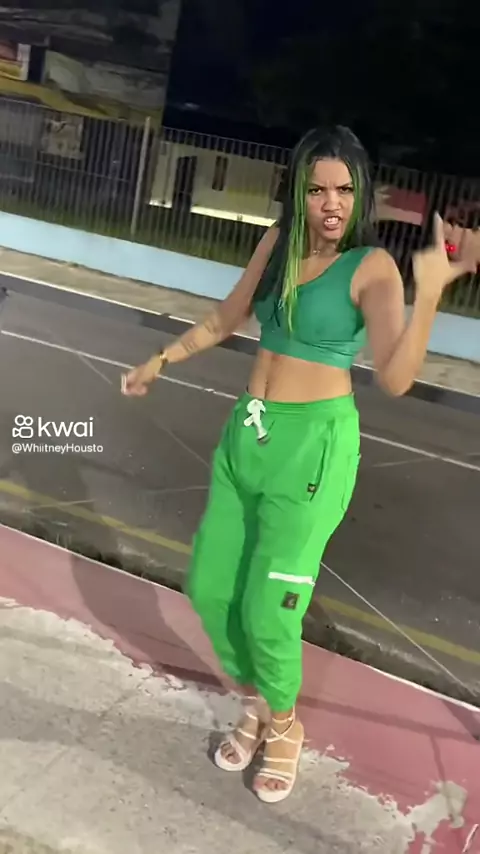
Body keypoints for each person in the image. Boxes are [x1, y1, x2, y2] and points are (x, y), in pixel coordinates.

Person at [121, 125, 478, 804]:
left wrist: (430, 291)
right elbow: (226, 319)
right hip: (247, 434)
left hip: (313, 450)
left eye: (344, 189)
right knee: (209, 588)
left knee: (269, 611)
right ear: (299, 193)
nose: (331, 203)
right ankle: (259, 701)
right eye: (317, 190)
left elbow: (395, 377)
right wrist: (161, 359)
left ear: (361, 193)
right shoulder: (277, 244)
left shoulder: (371, 266)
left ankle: (283, 726)